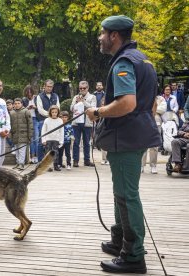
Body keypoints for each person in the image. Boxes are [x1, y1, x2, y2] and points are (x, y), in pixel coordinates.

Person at [86, 15, 161, 274]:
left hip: (126, 139)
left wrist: (98, 112)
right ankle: (120, 240)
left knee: (127, 196)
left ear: (114, 36)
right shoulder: (144, 60)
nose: (100, 38)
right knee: (123, 192)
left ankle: (133, 255)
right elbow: (151, 103)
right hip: (134, 137)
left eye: (102, 33)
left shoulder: (125, 62)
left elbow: (127, 103)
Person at [70, 81, 97, 167]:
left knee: (87, 143)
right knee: (76, 142)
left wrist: (83, 102)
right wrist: (76, 103)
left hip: (87, 122)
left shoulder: (92, 97)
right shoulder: (76, 97)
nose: (82, 90)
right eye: (80, 88)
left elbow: (93, 108)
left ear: (87, 88)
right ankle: (75, 160)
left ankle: (87, 160)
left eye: (84, 88)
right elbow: (71, 108)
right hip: (76, 123)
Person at [35, 79, 60, 162]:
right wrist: (50, 114)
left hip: (54, 121)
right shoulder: (39, 96)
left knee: (53, 141)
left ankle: (52, 162)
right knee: (41, 141)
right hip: (43, 120)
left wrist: (54, 115)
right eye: (48, 86)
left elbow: (58, 107)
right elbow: (40, 110)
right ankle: (40, 161)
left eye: (51, 87)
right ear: (44, 86)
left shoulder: (55, 96)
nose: (49, 88)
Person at [141, 94, 166, 174]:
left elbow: (163, 109)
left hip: (156, 120)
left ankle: (153, 165)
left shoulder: (160, 98)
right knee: (143, 143)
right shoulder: (144, 95)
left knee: (154, 144)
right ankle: (141, 165)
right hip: (145, 120)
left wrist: (150, 109)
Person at [10, 98, 33, 170]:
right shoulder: (12, 113)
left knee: (22, 150)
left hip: (24, 134)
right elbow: (10, 124)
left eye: (18, 103)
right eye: (15, 103)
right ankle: (18, 163)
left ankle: (21, 164)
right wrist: (11, 134)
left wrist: (30, 135)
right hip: (15, 135)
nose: (17, 105)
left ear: (22, 104)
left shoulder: (26, 111)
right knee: (16, 150)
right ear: (14, 105)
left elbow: (30, 124)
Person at [41, 105, 64, 171]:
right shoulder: (47, 120)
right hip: (48, 139)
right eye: (52, 112)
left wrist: (61, 141)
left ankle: (55, 165)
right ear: (50, 112)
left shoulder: (60, 120)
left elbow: (61, 131)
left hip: (56, 139)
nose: (54, 113)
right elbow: (43, 130)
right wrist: (43, 140)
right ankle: (48, 166)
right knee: (47, 153)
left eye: (55, 112)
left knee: (55, 153)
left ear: (58, 112)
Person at [22, 85, 39, 164]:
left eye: (30, 92)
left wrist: (36, 107)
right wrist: (27, 108)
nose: (29, 94)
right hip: (28, 119)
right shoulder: (24, 99)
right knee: (31, 139)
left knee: (37, 138)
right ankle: (32, 156)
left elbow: (41, 108)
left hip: (36, 119)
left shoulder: (37, 98)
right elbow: (22, 110)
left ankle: (36, 156)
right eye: (27, 92)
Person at [94, 82, 108, 165]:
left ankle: (108, 159)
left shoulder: (105, 94)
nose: (99, 86)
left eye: (100, 85)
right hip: (98, 115)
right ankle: (103, 158)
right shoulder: (94, 95)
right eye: (97, 85)